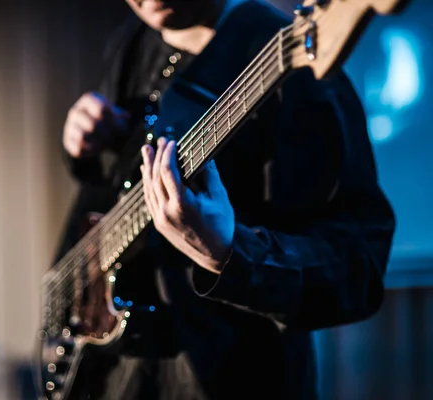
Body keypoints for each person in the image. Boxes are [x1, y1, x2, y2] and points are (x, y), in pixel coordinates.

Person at [55, 0, 396, 399]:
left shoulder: (296, 63)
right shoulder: (135, 40)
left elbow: (358, 271)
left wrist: (229, 253)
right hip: (116, 375)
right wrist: (81, 148)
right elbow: (118, 181)